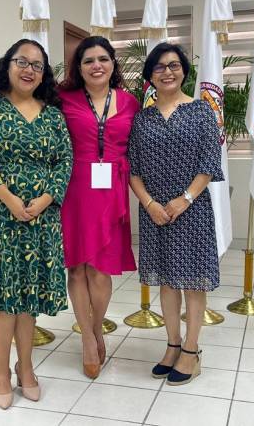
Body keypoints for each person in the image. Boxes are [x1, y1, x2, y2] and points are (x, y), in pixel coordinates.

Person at [0, 39, 72, 408]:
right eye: (22, 62)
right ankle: (0, 372)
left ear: (44, 74)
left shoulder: (52, 114)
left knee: (28, 297)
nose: (29, 70)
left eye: (37, 65)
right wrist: (9, 198)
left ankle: (27, 368)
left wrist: (45, 198)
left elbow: (64, 160)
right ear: (7, 65)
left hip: (40, 217)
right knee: (1, 297)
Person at [127, 42, 224, 386]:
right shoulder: (142, 118)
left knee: (193, 280)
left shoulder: (201, 112)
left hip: (192, 210)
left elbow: (209, 164)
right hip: (154, 213)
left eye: (174, 65)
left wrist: (184, 198)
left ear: (184, 71)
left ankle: (192, 351)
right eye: (159, 67)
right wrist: (151, 204)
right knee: (167, 281)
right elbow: (133, 170)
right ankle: (172, 345)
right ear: (150, 76)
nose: (167, 72)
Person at [58, 36, 139, 379]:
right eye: (88, 60)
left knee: (101, 268)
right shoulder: (64, 99)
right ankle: (88, 339)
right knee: (77, 267)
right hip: (76, 189)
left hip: (112, 190)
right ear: (79, 68)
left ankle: (95, 326)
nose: (96, 65)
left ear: (112, 64)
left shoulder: (131, 102)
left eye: (103, 58)